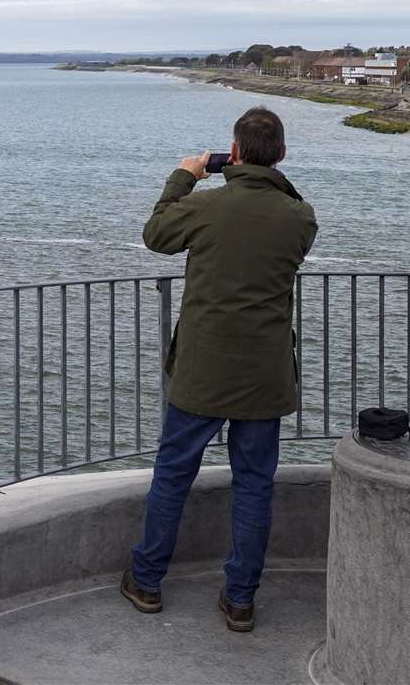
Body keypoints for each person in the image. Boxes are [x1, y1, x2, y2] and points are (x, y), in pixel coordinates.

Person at [121, 106, 317, 634]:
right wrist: (273, 176)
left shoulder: (207, 207)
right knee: (255, 485)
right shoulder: (299, 215)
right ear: (281, 156)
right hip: (265, 375)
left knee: (173, 475)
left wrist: (186, 175)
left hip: (202, 371)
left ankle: (147, 581)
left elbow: (155, 234)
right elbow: (296, 226)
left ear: (231, 153)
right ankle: (239, 600)